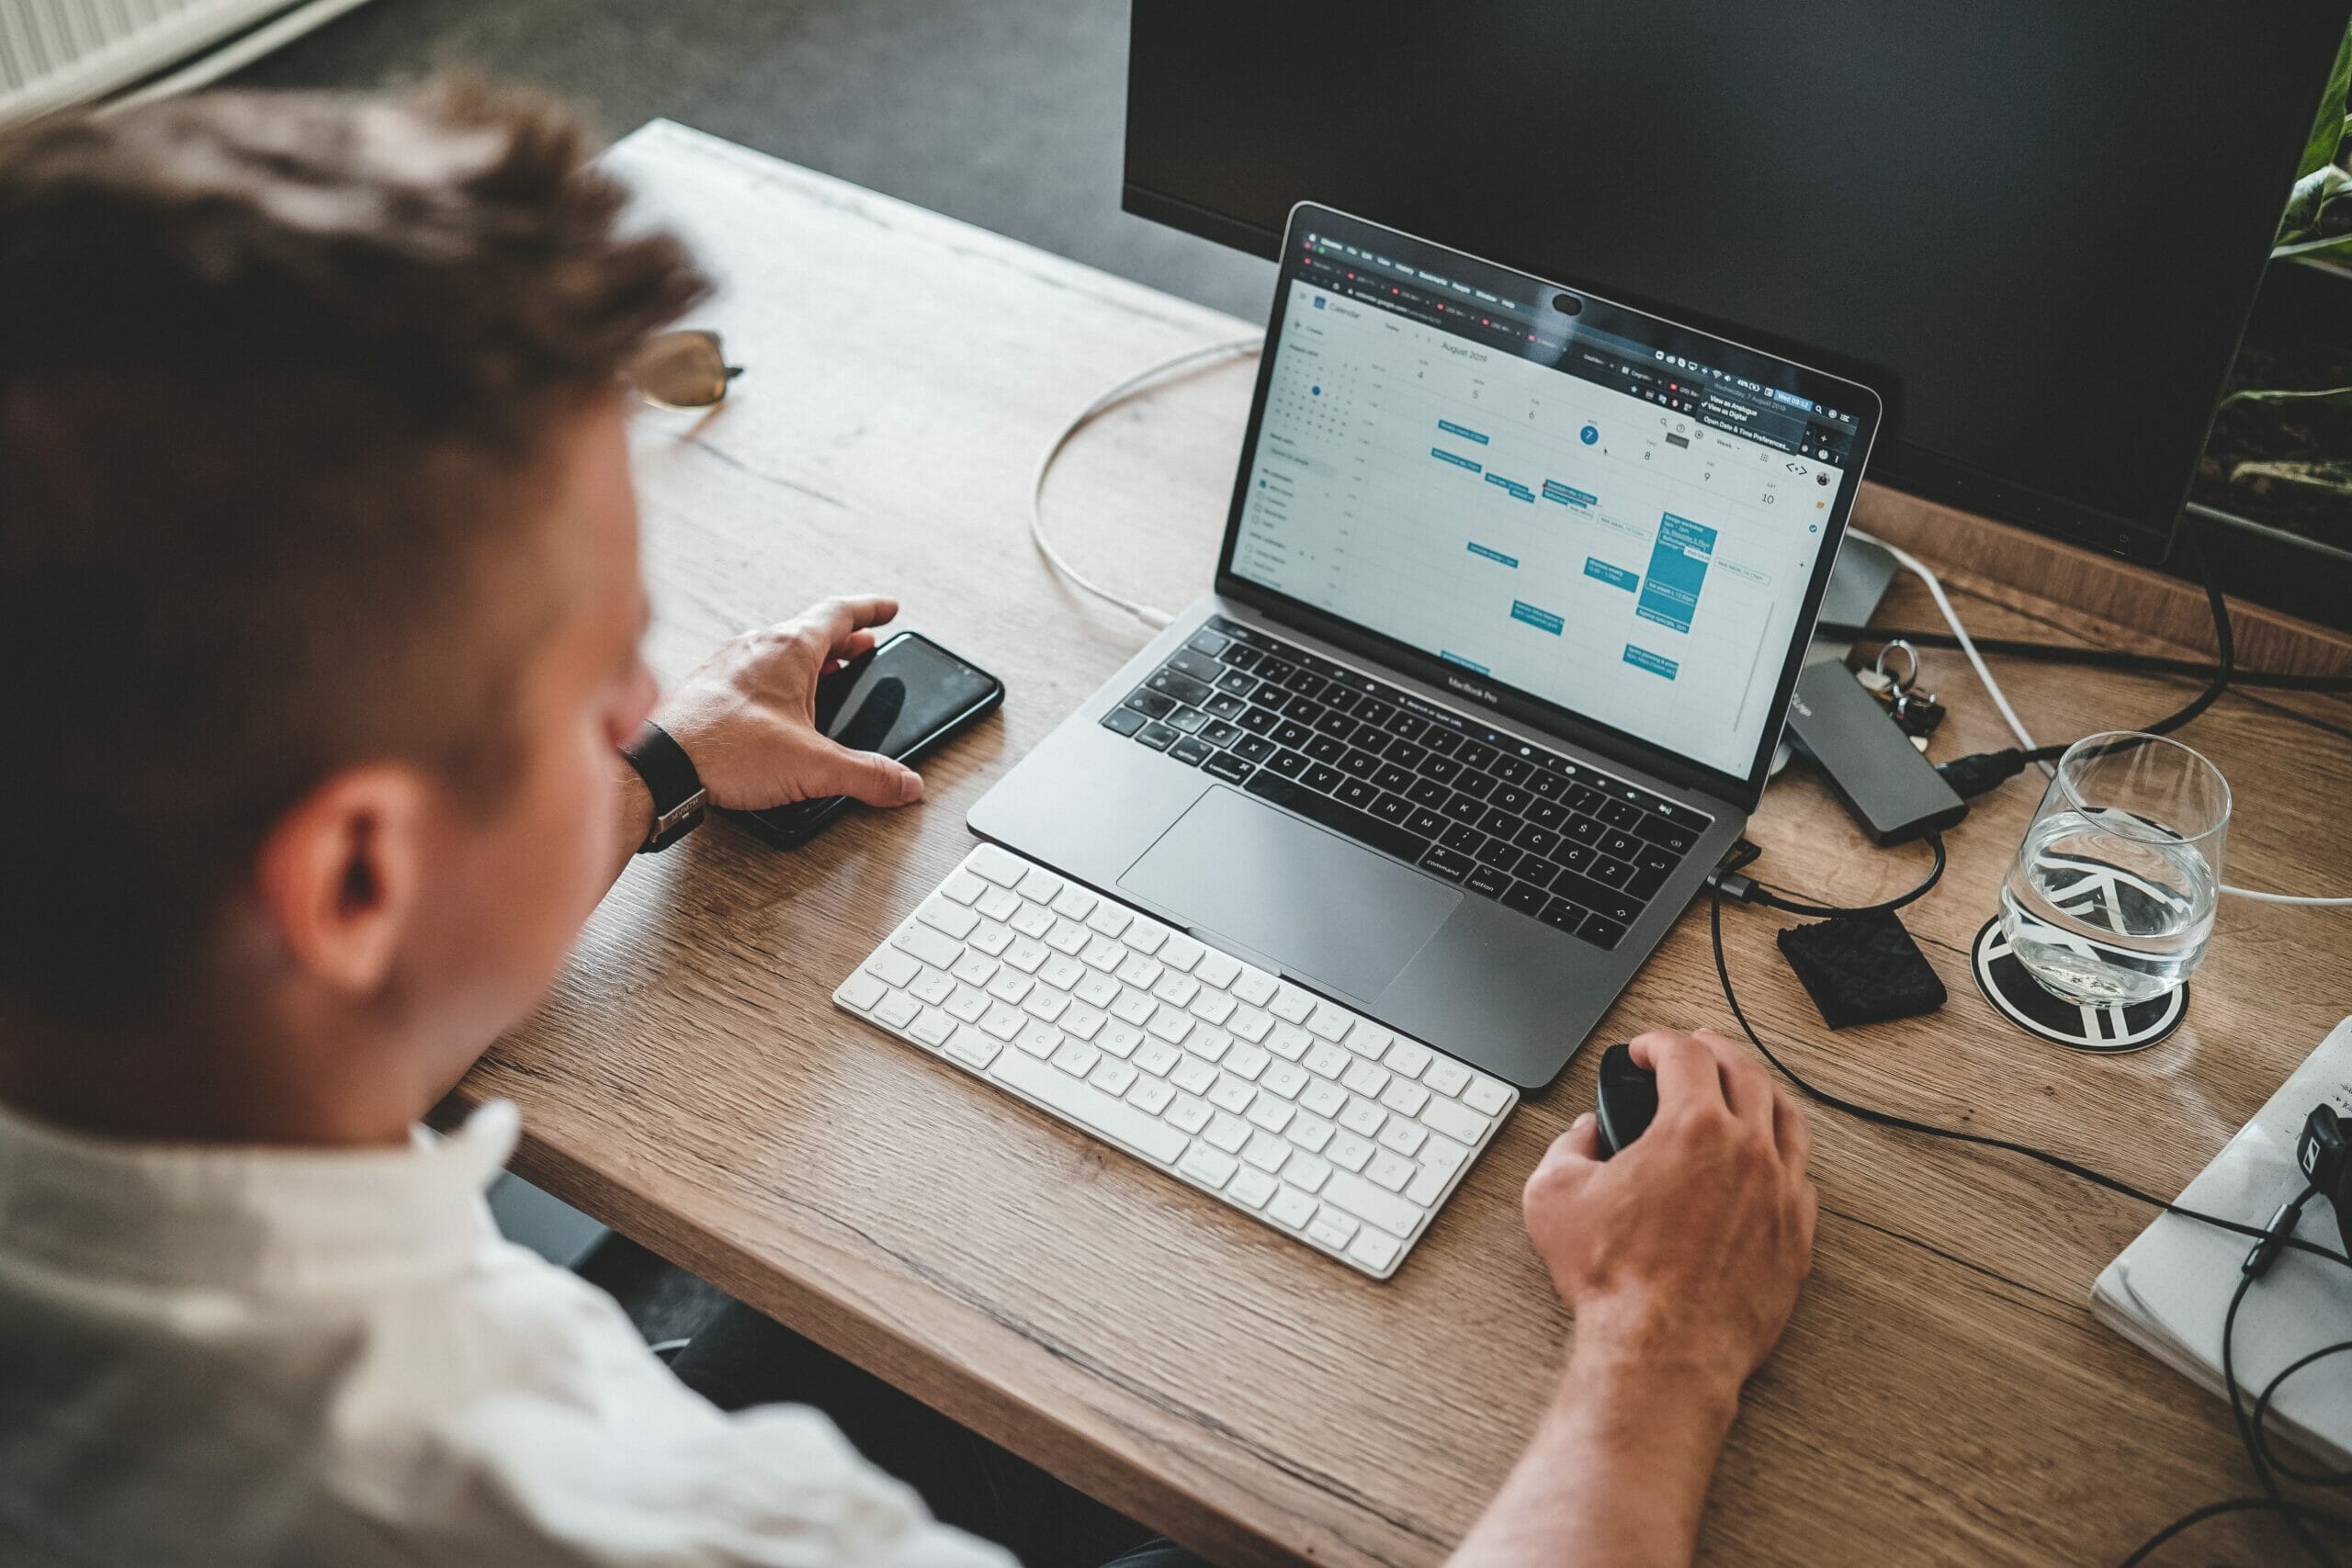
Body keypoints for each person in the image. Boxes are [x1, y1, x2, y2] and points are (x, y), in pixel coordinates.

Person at [0, 82, 1816, 1567]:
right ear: (355, 874)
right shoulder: (611, 1512)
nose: (651, 696)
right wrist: (1659, 1344)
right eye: (600, 678)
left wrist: (646, 776)